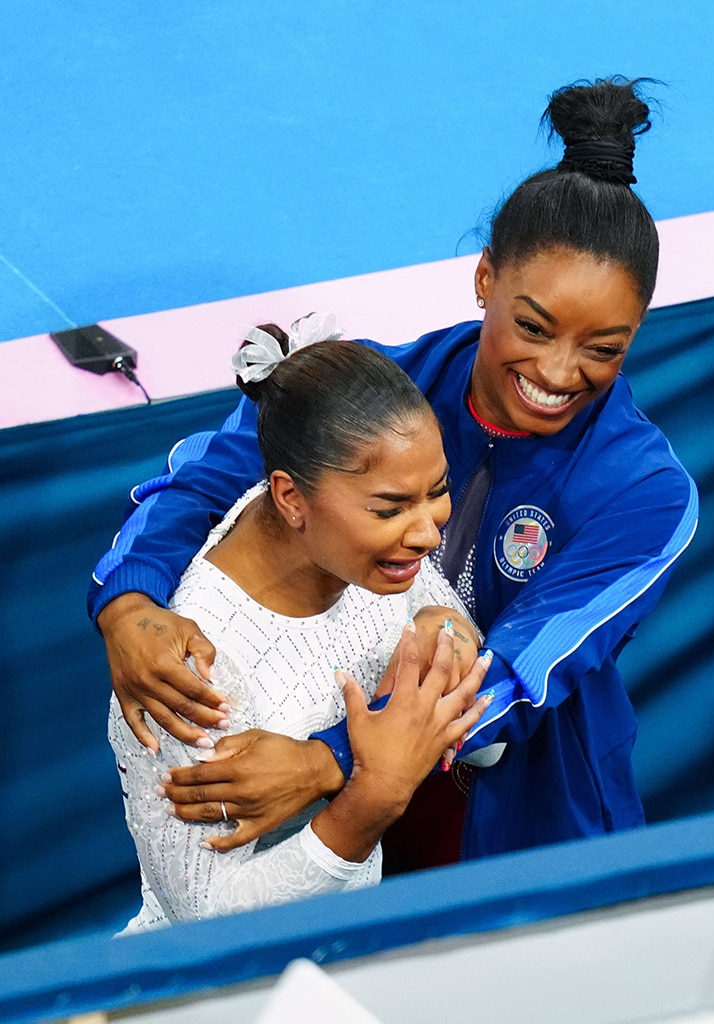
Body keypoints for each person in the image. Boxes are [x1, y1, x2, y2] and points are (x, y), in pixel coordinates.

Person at [92, 77, 698, 864]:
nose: (557, 372)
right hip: (341, 826)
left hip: (521, 832)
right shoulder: (363, 388)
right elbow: (201, 484)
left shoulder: (645, 496)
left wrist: (326, 760)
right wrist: (128, 603)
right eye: (532, 326)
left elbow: (514, 672)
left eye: (604, 348)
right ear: (486, 278)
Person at [108, 326, 492, 930]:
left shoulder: (368, 557)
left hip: (357, 949)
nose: (428, 532)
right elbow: (209, 925)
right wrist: (373, 797)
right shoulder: (193, 668)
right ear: (289, 497)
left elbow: (487, 733)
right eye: (390, 508)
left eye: (438, 492)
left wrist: (447, 638)